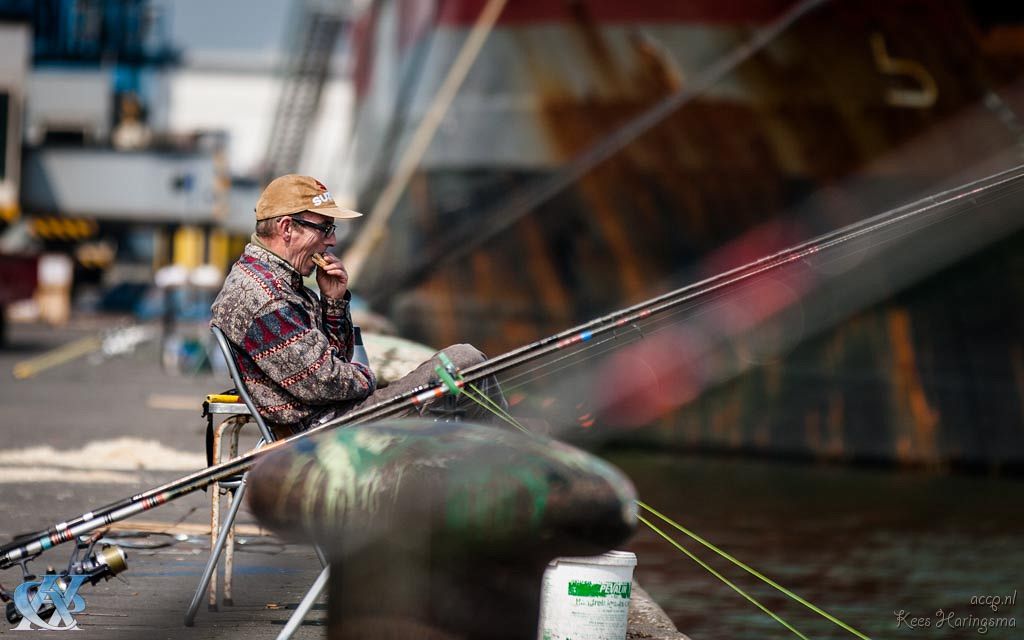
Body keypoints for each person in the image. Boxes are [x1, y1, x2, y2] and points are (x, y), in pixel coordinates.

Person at [210, 174, 505, 438]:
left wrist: (333, 302)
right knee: (462, 361)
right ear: (288, 228)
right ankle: (517, 463)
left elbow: (335, 362)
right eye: (325, 228)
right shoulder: (265, 296)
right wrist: (367, 375)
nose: (333, 240)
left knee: (461, 371)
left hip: (339, 415)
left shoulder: (278, 281)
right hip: (329, 429)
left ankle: (507, 460)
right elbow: (324, 383)